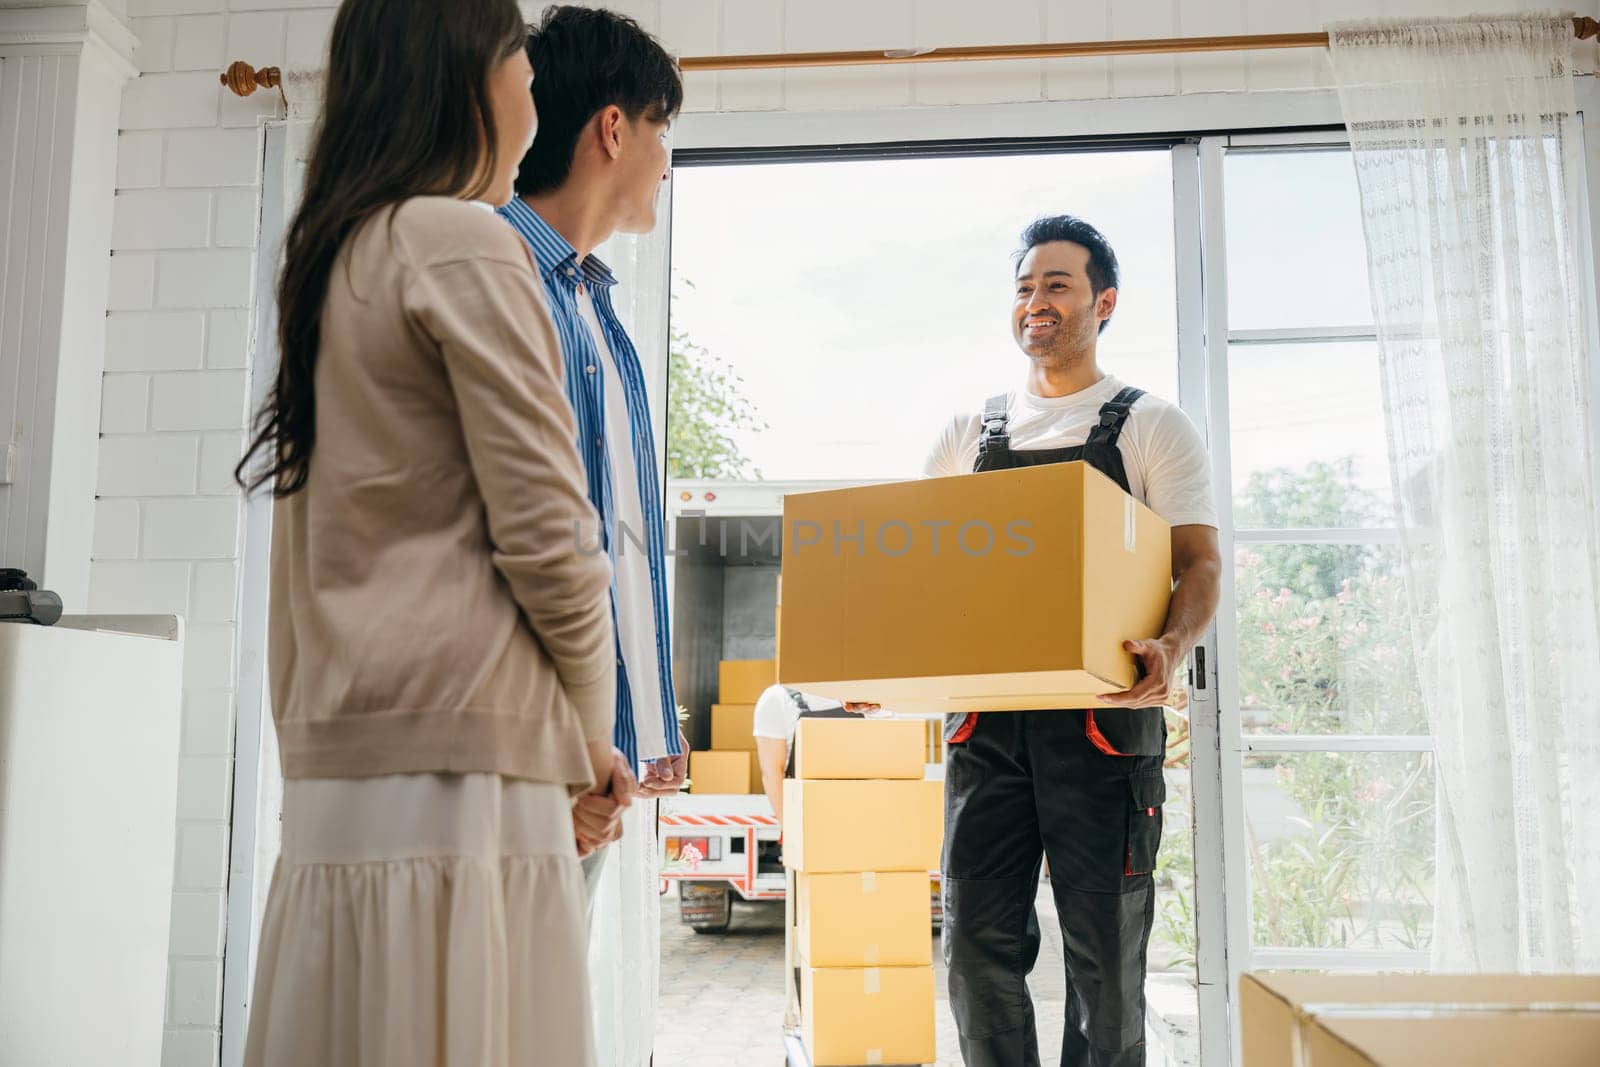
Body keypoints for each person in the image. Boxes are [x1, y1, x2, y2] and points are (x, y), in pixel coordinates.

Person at [237, 2, 632, 1064]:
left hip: (344, 772)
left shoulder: (340, 256)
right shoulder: (463, 240)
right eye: (522, 68)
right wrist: (589, 741)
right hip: (462, 776)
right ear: (472, 78)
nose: (535, 98)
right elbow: (552, 532)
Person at [924, 216, 1221, 1067]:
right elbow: (921, 577)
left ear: (1105, 301)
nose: (1036, 303)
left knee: (1105, 961)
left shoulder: (1150, 426)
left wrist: (1174, 644)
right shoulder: (966, 434)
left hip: (1104, 720)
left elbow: (1199, 563)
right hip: (987, 728)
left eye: (1057, 284)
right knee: (976, 950)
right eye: (1024, 287)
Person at [495, 7, 686, 1062]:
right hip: (537, 754)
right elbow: (506, 538)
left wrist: (628, 729)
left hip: (587, 753)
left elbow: (612, 537)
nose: (666, 164)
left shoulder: (595, 307)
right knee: (501, 1022)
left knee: (534, 1016)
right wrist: (557, 744)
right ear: (613, 129)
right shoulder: (502, 276)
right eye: (663, 133)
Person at [751, 683, 856, 824]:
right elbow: (772, 773)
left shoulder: (861, 692)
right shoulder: (776, 699)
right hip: (808, 817)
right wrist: (789, 829)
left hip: (859, 810)